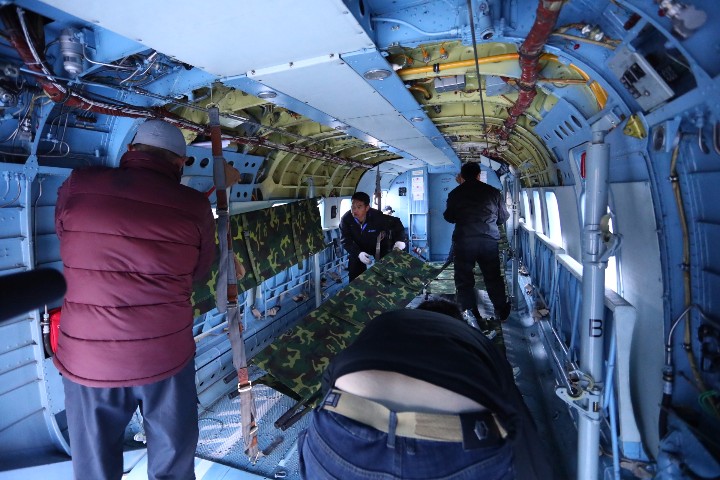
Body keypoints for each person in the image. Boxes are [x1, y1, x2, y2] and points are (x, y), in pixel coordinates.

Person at [54, 119, 217, 480]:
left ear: (130, 151)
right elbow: (200, 270)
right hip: (164, 354)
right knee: (172, 462)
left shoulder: (79, 184)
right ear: (180, 163)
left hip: (88, 358)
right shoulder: (194, 206)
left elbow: (64, 235)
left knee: (94, 468)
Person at [298, 300, 554, 480]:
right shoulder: (475, 340)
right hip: (459, 442)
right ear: (457, 321)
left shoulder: (387, 321)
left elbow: (329, 383)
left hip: (344, 435)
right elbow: (516, 415)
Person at [444, 162, 511, 323]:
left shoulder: (455, 193)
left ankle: (471, 313)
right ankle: (501, 310)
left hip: (464, 241)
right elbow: (503, 217)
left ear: (462, 176)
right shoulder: (493, 192)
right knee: (493, 277)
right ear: (479, 175)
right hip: (488, 241)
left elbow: (449, 217)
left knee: (464, 279)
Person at [340, 192, 406, 281]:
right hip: (358, 248)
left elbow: (396, 223)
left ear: (367, 208)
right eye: (353, 207)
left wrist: (400, 241)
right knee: (355, 273)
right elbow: (345, 240)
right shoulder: (346, 219)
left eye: (359, 207)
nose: (355, 210)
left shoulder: (377, 216)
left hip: (378, 246)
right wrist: (358, 254)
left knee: (387, 270)